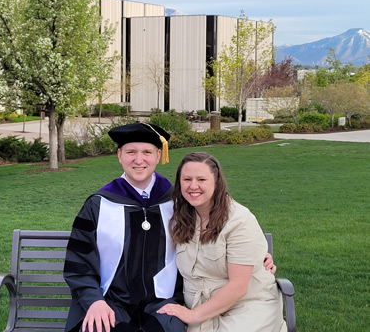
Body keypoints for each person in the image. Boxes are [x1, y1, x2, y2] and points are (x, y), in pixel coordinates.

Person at [64, 124, 276, 332]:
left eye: (147, 152)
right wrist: (94, 301)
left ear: (158, 156)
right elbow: (79, 261)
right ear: (120, 156)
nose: (139, 160)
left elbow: (223, 228)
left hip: (162, 303)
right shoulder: (99, 204)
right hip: (111, 301)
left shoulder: (178, 201)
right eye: (131, 152)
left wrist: (258, 256)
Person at [157, 152, 286, 332]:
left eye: (201, 179)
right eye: (187, 179)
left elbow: (239, 286)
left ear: (216, 182)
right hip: (200, 307)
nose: (193, 186)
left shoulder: (239, 221)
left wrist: (193, 315)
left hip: (247, 305)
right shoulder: (179, 216)